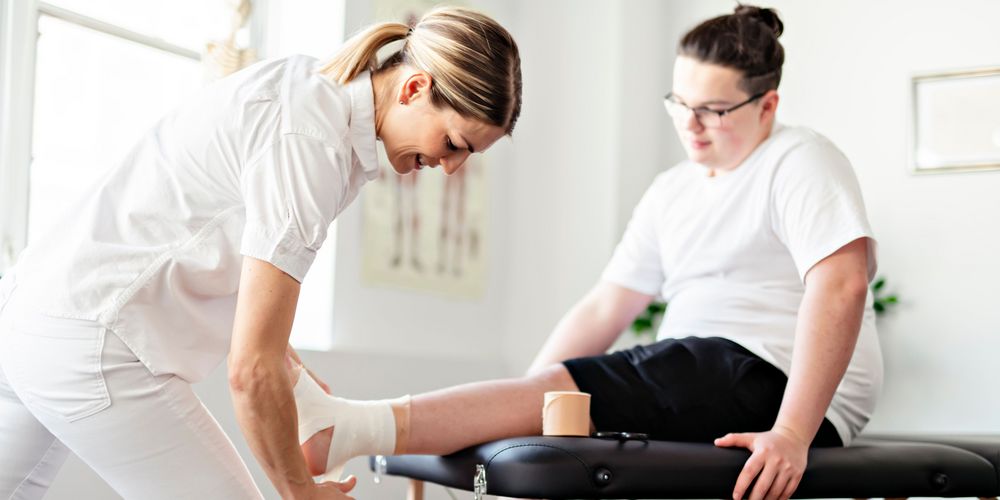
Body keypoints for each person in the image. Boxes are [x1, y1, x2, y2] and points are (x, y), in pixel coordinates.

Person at [285, 5, 881, 500]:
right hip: (703, 379)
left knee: (646, 371)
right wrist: (523, 404)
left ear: (767, 106)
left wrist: (793, 433)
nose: (691, 126)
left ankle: (348, 427)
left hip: (773, 382)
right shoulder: (673, 191)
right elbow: (605, 309)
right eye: (680, 104)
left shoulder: (800, 159)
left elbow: (844, 284)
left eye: (713, 111)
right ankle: (356, 425)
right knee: (576, 398)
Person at [0, 6, 522, 499]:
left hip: (35, 315)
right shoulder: (313, 145)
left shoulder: (310, 94)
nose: (452, 166)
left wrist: (289, 374)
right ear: (414, 87)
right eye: (456, 143)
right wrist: (300, 491)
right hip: (93, 339)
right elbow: (250, 369)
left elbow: (233, 280)